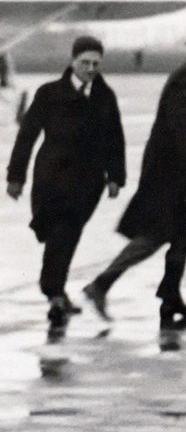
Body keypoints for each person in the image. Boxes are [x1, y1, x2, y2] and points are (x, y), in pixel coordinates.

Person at [82, 26, 186, 330]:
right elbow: (175, 121)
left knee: (184, 235)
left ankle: (169, 298)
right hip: (165, 167)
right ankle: (100, 286)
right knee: (155, 235)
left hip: (176, 165)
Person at [6, 36, 126, 326]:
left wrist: (116, 177)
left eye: (96, 63)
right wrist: (16, 176)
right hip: (52, 176)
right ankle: (54, 291)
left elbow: (115, 138)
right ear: (72, 61)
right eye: (84, 62)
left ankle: (55, 293)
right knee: (60, 233)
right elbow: (27, 135)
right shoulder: (49, 93)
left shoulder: (104, 96)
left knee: (67, 235)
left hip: (89, 182)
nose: (90, 68)